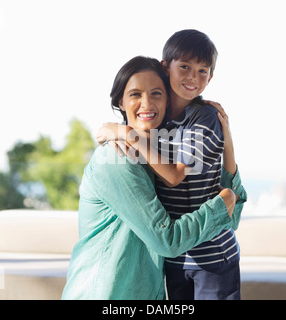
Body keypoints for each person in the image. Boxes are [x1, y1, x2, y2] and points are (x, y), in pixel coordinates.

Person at [61, 56, 241, 300]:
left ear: (168, 100)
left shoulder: (159, 156)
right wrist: (221, 207)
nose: (146, 103)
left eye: (156, 93)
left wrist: (226, 139)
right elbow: (167, 241)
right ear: (120, 102)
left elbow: (232, 214)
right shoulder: (115, 159)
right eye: (135, 94)